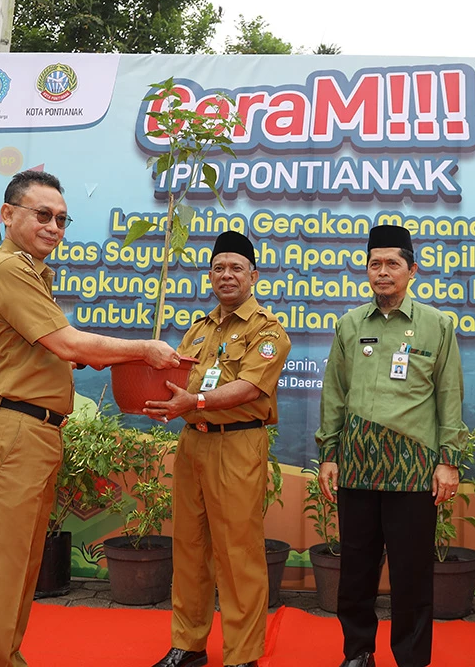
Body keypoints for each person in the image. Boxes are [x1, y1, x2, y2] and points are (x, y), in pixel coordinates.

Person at [0, 170, 180, 667]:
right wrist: (142, 349)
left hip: (32, 433)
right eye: (42, 215)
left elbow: (55, 350)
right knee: (1, 570)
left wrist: (81, 355)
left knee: (20, 567)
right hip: (11, 431)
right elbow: (66, 342)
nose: (54, 226)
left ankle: (6, 656)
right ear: (8, 214)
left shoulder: (34, 275)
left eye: (61, 218)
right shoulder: (9, 269)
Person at [315, 224, 466, 667]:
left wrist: (448, 461)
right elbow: (334, 394)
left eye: (393, 264)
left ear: (412, 270)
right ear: (366, 270)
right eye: (375, 263)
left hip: (415, 470)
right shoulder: (349, 325)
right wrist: (329, 453)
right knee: (356, 571)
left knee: (412, 576)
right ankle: (359, 652)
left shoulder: (437, 325)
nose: (383, 272)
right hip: (357, 468)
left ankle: (411, 659)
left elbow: (449, 396)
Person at [143, 231, 291, 667]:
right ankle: (187, 645)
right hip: (193, 443)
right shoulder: (198, 329)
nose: (226, 276)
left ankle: (242, 655)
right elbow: (180, 380)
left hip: (238, 444)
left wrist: (196, 401)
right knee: (188, 547)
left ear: (253, 276)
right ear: (210, 274)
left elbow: (249, 387)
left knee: (238, 554)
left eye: (236, 268)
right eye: (219, 268)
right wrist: (163, 400)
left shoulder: (268, 330)